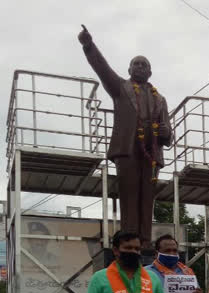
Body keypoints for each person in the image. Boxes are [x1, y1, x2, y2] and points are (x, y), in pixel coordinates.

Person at [78, 26, 173, 249]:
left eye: (144, 65)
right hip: (128, 149)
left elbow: (168, 127)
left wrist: (166, 133)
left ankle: (146, 242)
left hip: (151, 153)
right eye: (136, 64)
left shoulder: (160, 99)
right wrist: (88, 46)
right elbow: (102, 69)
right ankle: (131, 240)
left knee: (147, 198)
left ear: (150, 72)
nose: (140, 67)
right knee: (129, 195)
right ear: (129, 69)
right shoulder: (121, 88)